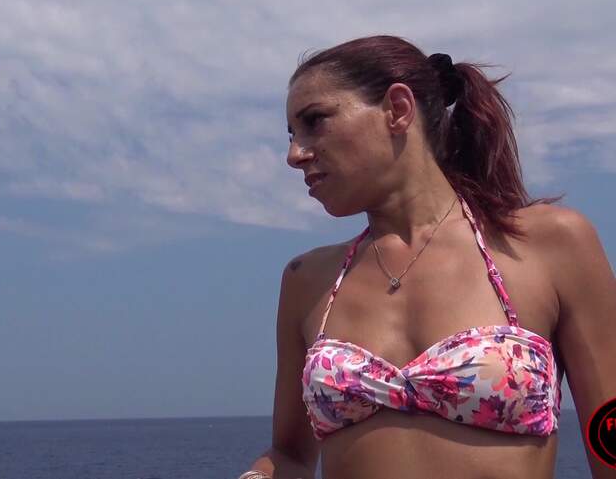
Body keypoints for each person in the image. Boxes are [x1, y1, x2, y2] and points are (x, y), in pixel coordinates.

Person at [238, 35, 616, 479]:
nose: (294, 155)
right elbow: (290, 455)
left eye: (315, 121)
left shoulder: (551, 244)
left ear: (397, 110)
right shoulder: (308, 280)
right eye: (292, 135)